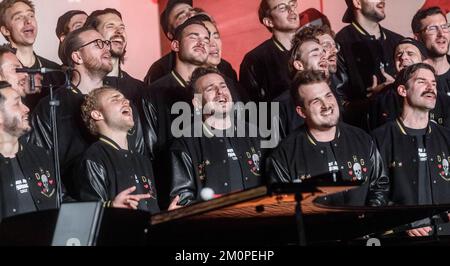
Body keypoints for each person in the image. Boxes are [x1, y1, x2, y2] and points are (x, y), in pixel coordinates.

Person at [30, 27, 146, 199]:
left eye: (106, 43)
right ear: (77, 56)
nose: (107, 48)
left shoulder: (123, 104)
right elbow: (41, 164)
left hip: (132, 200)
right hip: (79, 208)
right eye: (98, 44)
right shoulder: (51, 107)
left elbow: (139, 156)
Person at [267, 70, 389, 207]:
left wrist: (368, 220)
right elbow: (282, 207)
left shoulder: (362, 139)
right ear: (301, 112)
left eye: (328, 96)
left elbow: (379, 186)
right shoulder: (284, 155)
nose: (326, 105)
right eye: (315, 101)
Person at [169, 67, 264, 210]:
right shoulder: (184, 143)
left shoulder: (255, 134)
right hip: (215, 226)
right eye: (210, 89)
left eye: (223, 86)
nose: (220, 92)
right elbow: (183, 199)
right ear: (196, 103)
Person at [372, 63, 450, 237]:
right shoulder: (379, 139)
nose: (431, 88)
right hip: (401, 237)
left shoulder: (446, 137)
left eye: (434, 83)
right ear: (402, 90)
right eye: (422, 81)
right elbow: (372, 195)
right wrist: (401, 221)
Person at [79, 87, 159, 213]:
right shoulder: (94, 157)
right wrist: (111, 206)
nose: (126, 101)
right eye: (115, 99)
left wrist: (168, 216)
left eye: (125, 99)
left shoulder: (143, 160)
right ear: (97, 114)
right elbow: (88, 213)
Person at [336, 0, 403, 129]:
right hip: (364, 134)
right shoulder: (341, 43)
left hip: (400, 131)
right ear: (357, 3)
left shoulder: (398, 41)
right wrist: (372, 100)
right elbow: (339, 104)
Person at [275, 25, 345, 140]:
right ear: (299, 64)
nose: (324, 57)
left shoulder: (333, 96)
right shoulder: (278, 106)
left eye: (323, 52)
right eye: (315, 54)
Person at [0, 81, 57, 221]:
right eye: (17, 104)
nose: (26, 109)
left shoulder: (41, 155)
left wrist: (107, 205)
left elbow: (61, 200)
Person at [0, 0, 64, 106]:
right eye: (18, 17)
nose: (28, 21)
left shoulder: (56, 71)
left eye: (31, 15)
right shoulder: (2, 69)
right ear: (6, 30)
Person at [240, 0, 300, 103]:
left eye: (292, 5)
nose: (291, 10)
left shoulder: (312, 46)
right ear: (269, 22)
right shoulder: (255, 60)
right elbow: (255, 110)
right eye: (282, 8)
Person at [85, 8, 145, 104]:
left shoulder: (140, 90)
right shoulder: (82, 87)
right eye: (110, 26)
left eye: (122, 28)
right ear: (93, 35)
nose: (119, 31)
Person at [412, 7, 450, 94]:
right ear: (417, 38)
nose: (441, 34)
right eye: (432, 28)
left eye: (444, 27)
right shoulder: (409, 78)